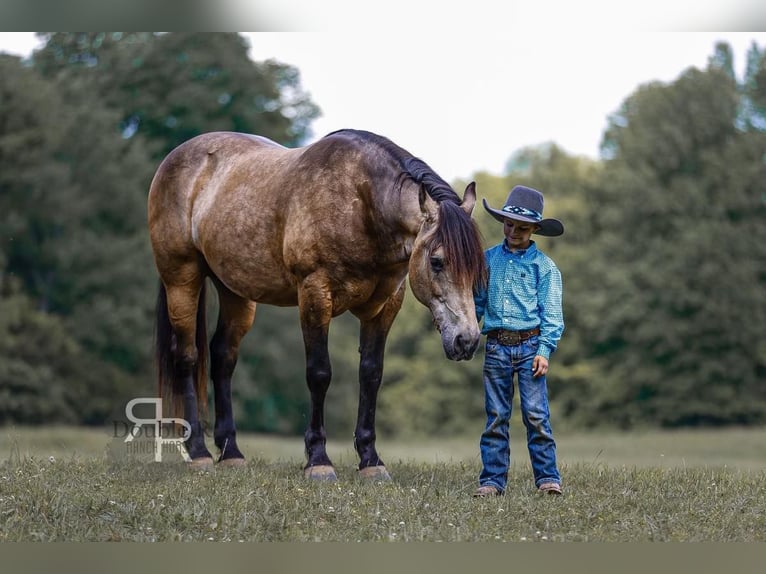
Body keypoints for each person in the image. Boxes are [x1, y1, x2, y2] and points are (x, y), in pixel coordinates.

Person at [472, 185, 565, 497]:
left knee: (536, 416)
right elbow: (478, 303)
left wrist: (545, 350)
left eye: (522, 228)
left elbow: (551, 313)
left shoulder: (545, 268)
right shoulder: (487, 261)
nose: (513, 231)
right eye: (509, 224)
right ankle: (492, 481)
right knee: (496, 417)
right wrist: (465, 324)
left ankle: (548, 479)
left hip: (530, 348)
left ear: (535, 229)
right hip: (496, 346)